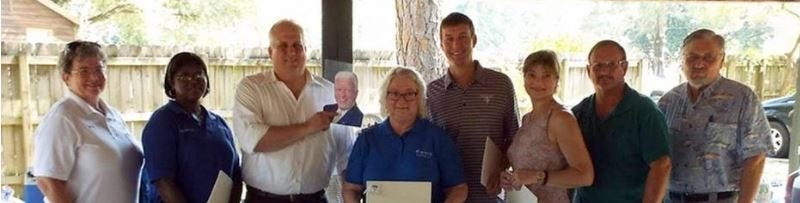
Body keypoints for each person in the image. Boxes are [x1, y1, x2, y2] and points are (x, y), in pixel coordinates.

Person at [233, 19, 353, 203]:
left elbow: (345, 153)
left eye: (298, 45)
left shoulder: (331, 92)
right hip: (262, 199)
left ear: (306, 49)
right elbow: (254, 141)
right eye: (283, 46)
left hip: (315, 199)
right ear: (269, 52)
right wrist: (308, 127)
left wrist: (351, 197)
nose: (292, 52)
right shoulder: (252, 88)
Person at [658, 29, 771, 203]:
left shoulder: (743, 98)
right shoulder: (668, 101)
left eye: (708, 57)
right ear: (682, 60)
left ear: (722, 61)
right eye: (692, 57)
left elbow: (756, 157)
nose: (699, 63)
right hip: (670, 198)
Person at [32, 40, 144, 202]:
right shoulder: (62, 117)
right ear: (66, 77)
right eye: (83, 71)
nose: (94, 77)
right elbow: (48, 181)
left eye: (99, 69)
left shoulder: (113, 115)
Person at [426, 12, 519, 202]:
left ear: (474, 40)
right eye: (449, 39)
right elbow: (426, 143)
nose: (456, 45)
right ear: (441, 44)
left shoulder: (501, 84)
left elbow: (515, 137)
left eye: (463, 37)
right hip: (447, 195)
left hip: (489, 194)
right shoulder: (432, 91)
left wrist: (501, 166)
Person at [342, 67, 468, 203]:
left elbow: (458, 189)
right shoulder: (366, 140)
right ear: (385, 98)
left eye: (409, 94)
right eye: (394, 93)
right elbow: (351, 188)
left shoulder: (438, 139)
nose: (402, 101)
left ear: (419, 98)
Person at [571, 40, 672, 203]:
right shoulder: (579, 113)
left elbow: (661, 165)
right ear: (588, 70)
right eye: (597, 66)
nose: (604, 71)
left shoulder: (644, 110)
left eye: (611, 65)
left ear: (624, 68)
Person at [142, 52, 242, 203]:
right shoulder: (162, 122)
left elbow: (235, 174)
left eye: (198, 75)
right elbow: (163, 182)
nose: (193, 81)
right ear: (171, 83)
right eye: (184, 76)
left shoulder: (219, 123)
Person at [500, 50, 594, 202]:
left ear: (557, 81)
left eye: (546, 76)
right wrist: (510, 177)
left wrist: (538, 177)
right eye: (532, 75)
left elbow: (585, 175)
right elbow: (522, 169)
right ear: (524, 78)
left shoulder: (560, 118)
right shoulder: (527, 119)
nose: (538, 82)